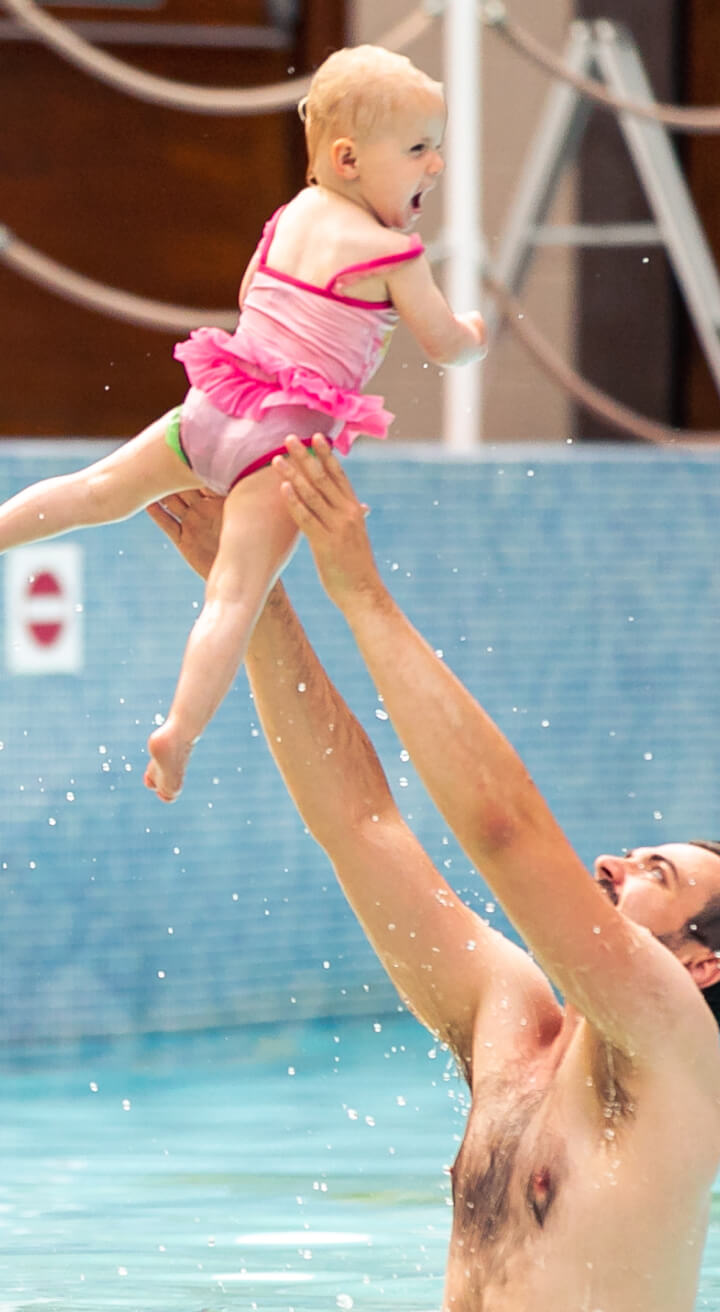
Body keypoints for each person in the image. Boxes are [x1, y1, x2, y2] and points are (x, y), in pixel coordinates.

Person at [149, 437, 720, 1312]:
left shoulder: (674, 1050)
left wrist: (362, 592)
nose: (612, 862)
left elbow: (505, 832)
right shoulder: (514, 1033)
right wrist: (254, 597)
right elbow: (362, 826)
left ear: (697, 964)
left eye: (656, 873)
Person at [0, 45, 485, 803]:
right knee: (233, 594)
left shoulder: (290, 215)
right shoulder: (393, 253)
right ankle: (179, 731)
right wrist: (474, 333)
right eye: (419, 148)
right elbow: (442, 345)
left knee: (96, 491)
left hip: (216, 403)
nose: (438, 164)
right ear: (348, 157)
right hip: (280, 448)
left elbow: (251, 288)